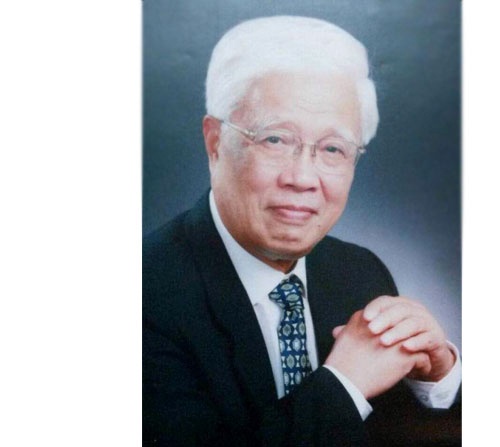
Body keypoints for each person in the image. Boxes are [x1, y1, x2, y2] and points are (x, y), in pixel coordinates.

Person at [143, 15, 461, 446]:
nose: (303, 178)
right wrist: (343, 385)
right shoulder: (146, 293)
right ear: (215, 142)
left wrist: (437, 377)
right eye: (275, 140)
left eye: (332, 148)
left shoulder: (359, 272)